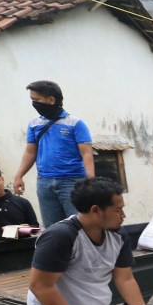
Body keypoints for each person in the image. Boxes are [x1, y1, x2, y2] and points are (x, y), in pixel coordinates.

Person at [11, 80, 94, 227]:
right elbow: (30, 152)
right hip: (44, 182)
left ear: (51, 100)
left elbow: (86, 153)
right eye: (32, 100)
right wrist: (19, 176)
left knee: (79, 225)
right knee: (53, 228)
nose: (34, 103)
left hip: (73, 181)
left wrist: (90, 181)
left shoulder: (75, 123)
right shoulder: (34, 124)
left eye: (36, 99)